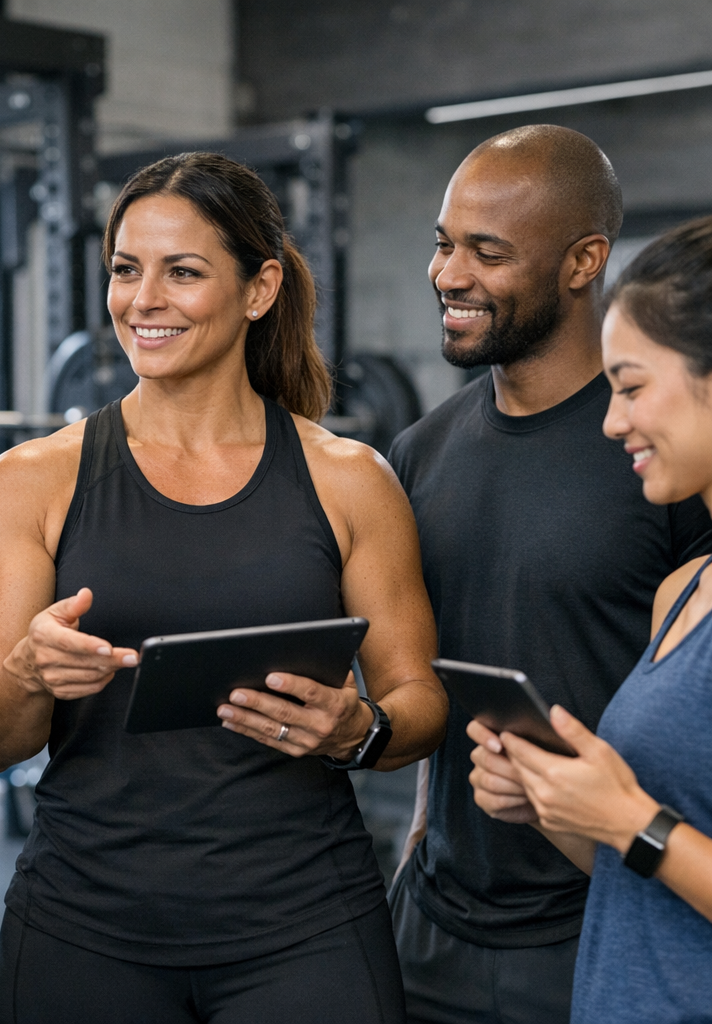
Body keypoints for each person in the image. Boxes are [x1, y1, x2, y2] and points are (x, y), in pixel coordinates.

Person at [0, 151, 447, 1024]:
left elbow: (419, 702)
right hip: (87, 928)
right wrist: (28, 675)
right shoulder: (28, 482)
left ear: (259, 289)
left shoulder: (349, 479)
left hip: (306, 925)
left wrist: (358, 728)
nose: (143, 300)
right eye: (124, 269)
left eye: (182, 272)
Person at [386, 125, 712, 1024]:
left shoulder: (668, 466)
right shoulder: (419, 452)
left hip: (602, 919)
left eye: (487, 251)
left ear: (584, 261)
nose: (448, 273)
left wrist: (622, 830)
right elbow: (446, 661)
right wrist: (422, 831)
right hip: (433, 919)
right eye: (444, 243)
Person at [468, 215, 712, 1023]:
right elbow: (633, 867)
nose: (612, 422)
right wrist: (557, 802)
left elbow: (646, 835)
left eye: (634, 386)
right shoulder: (683, 590)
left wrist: (630, 819)